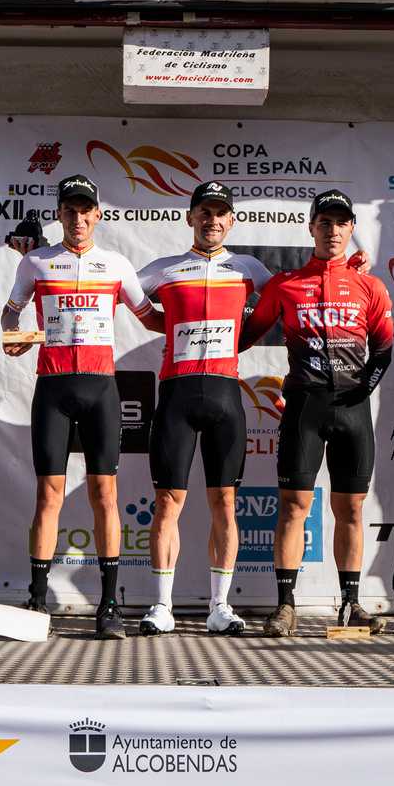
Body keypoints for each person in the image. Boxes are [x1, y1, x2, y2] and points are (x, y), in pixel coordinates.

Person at [2, 174, 158, 640]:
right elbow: (10, 313)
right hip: (52, 387)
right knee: (47, 496)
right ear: (60, 215)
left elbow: (150, 317)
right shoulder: (36, 262)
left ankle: (109, 604)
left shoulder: (116, 264)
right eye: (69, 210)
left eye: (85, 210)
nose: (77, 218)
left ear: (98, 215)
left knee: (105, 496)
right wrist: (15, 332)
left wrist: (206, 319)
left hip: (100, 390)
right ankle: (35, 598)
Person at [242, 189, 394, 636]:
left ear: (351, 229)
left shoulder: (370, 285)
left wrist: (363, 387)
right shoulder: (285, 284)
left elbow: (384, 350)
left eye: (341, 222)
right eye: (324, 222)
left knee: (351, 509)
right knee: (293, 507)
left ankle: (350, 604)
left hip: (353, 409)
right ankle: (285, 605)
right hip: (304, 407)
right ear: (312, 228)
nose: (332, 230)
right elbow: (246, 334)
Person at [138, 181, 273, 636]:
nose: (212, 220)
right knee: (166, 503)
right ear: (190, 217)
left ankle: (220, 607)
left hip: (224, 396)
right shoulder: (165, 269)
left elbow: (281, 304)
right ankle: (161, 607)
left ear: (231, 220)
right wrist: (163, 323)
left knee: (226, 504)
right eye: (204, 212)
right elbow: (117, 290)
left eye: (221, 213)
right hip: (176, 394)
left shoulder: (248, 267)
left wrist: (242, 340)